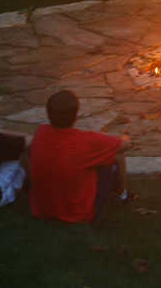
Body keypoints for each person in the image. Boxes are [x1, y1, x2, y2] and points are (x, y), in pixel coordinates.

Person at [28, 90, 133, 223]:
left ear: (48, 113)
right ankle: (122, 195)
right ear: (76, 114)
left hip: (42, 209)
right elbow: (126, 145)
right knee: (115, 155)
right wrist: (124, 136)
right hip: (79, 212)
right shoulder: (86, 141)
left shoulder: (41, 132)